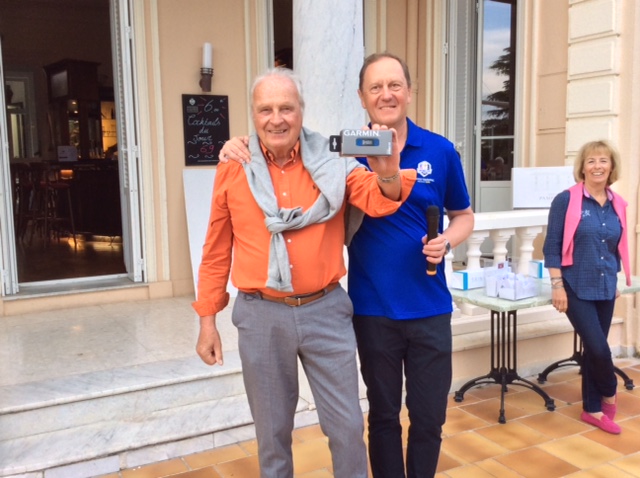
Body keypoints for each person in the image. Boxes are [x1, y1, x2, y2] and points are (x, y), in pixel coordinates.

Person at [220, 52, 475, 478]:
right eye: (375, 87)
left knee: (429, 418)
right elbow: (294, 147)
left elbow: (463, 215)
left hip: (429, 303)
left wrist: (446, 239)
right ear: (362, 96)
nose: (386, 94)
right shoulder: (344, 152)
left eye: (394, 85)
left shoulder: (440, 150)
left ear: (409, 92)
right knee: (382, 416)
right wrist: (239, 143)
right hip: (372, 308)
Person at [193, 67, 416, 478]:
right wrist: (207, 321)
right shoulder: (234, 167)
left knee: (347, 428)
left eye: (286, 108)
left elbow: (381, 199)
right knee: (272, 435)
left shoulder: (333, 161)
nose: (276, 119)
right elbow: (216, 250)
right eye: (266, 109)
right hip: (260, 315)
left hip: (325, 311)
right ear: (253, 114)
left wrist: (387, 168)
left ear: (301, 111)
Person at [543, 140, 631, 435]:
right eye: (591, 161)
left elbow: (613, 246)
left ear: (611, 166)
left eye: (603, 161)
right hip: (574, 285)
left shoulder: (618, 203)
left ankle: (592, 409)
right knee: (599, 348)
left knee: (595, 350)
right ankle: (609, 390)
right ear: (582, 167)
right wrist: (557, 285)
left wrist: (614, 278)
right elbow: (552, 246)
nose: (597, 166)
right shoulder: (566, 200)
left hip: (605, 286)